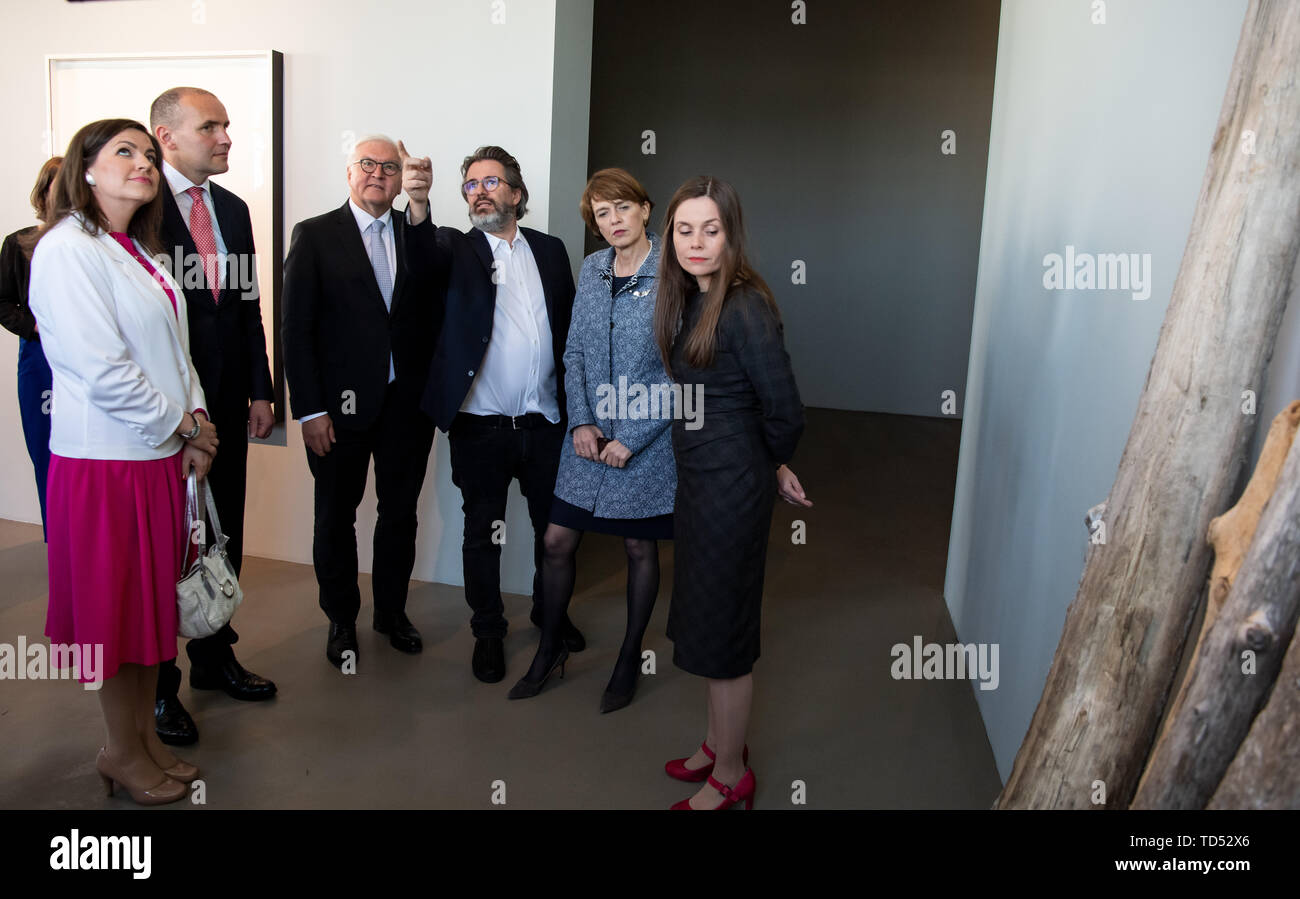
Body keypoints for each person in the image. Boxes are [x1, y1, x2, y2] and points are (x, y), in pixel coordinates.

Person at [29, 118, 219, 805]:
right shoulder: (65, 250)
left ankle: (142, 741)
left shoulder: (139, 251)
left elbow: (176, 354)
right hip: (105, 465)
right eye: (124, 152)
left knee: (147, 616)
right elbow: (101, 369)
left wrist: (196, 421)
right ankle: (117, 750)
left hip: (156, 458)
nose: (143, 162)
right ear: (86, 170)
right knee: (115, 616)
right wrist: (183, 424)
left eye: (147, 152)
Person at [653, 176, 811, 810]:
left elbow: (784, 409)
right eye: (685, 229)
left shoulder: (744, 305)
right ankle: (718, 748)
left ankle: (732, 777)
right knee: (705, 619)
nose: (696, 242)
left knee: (726, 638)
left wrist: (770, 464)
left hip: (731, 486)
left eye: (710, 230)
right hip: (700, 478)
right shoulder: (690, 295)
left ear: (730, 235)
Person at [404, 145, 581, 684]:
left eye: (491, 182)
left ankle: (550, 613)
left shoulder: (550, 252)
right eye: (471, 185)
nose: (479, 191)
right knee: (484, 532)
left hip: (546, 423)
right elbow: (419, 260)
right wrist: (416, 200)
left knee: (555, 532)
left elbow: (569, 329)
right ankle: (488, 631)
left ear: (516, 194)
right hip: (481, 427)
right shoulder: (455, 250)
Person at [508, 168, 674, 712]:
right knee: (557, 540)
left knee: (637, 546)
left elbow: (686, 372)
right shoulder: (594, 267)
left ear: (645, 209)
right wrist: (581, 422)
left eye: (622, 208)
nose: (613, 221)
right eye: (602, 214)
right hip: (587, 435)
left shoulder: (674, 273)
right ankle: (551, 646)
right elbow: (575, 350)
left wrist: (633, 436)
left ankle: (629, 656)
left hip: (647, 438)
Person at [282, 135, 440, 670]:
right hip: (337, 410)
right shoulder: (316, 235)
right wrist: (308, 409)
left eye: (389, 167)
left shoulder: (416, 232)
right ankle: (341, 619)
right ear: (349, 173)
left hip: (405, 408)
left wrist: (420, 205)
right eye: (367, 165)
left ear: (401, 178)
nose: (378, 174)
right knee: (335, 516)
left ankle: (391, 613)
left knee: (399, 514)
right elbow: (295, 330)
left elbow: (433, 284)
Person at [149, 86, 277, 744]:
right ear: (167, 136)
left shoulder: (232, 206)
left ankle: (214, 655)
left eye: (227, 124)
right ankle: (159, 689)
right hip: (165, 412)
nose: (226, 136)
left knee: (222, 532)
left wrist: (261, 387)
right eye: (211, 126)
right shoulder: (139, 208)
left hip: (228, 403)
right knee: (168, 547)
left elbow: (247, 306)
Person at [1, 157, 61, 541]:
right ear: (44, 192)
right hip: (39, 362)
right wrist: (39, 326)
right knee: (47, 453)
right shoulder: (19, 243)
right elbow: (4, 303)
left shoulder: (103, 243)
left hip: (91, 362)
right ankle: (58, 538)